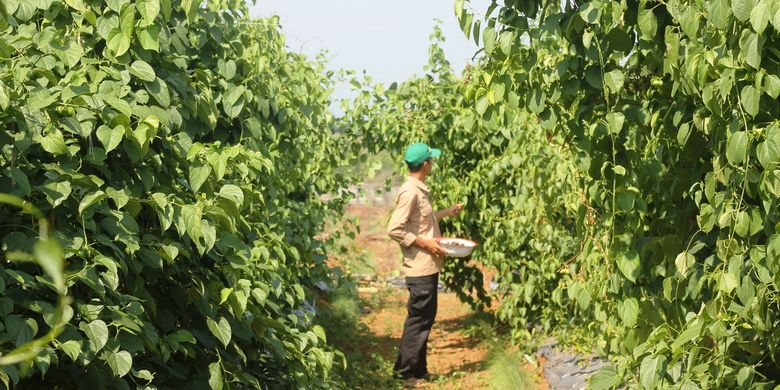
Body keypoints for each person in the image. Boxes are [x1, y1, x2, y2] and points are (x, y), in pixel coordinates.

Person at [387, 142, 463, 386]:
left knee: (425, 318)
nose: (433, 164)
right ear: (426, 164)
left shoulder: (419, 191)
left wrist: (446, 213)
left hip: (428, 266)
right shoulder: (410, 192)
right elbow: (395, 229)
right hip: (419, 267)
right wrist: (426, 244)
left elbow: (422, 221)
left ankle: (418, 369)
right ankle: (405, 373)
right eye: (432, 160)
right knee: (418, 320)